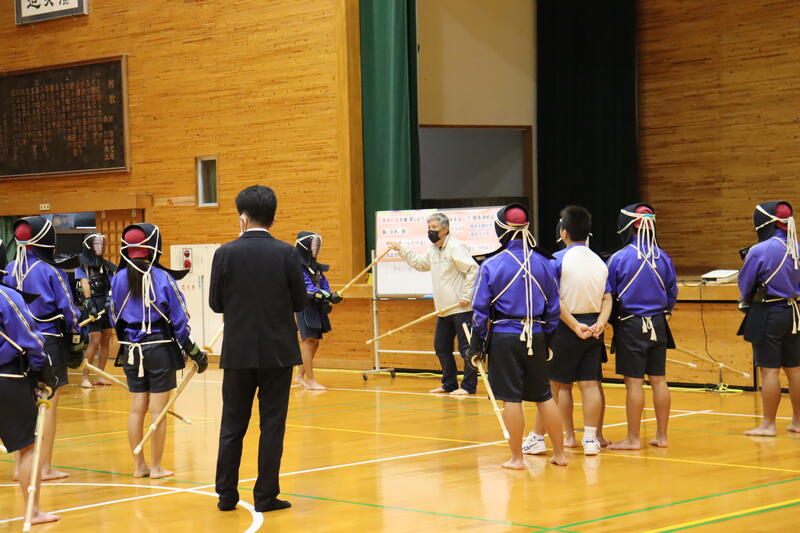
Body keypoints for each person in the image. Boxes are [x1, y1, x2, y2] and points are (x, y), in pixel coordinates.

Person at [210, 185, 307, 513]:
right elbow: (300, 302)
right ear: (273, 217)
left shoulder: (224, 253)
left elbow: (215, 303)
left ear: (242, 216)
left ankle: (226, 495)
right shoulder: (288, 253)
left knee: (232, 424)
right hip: (279, 351)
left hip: (238, 351)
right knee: (272, 425)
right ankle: (265, 496)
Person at [469, 203, 566, 469]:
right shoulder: (546, 263)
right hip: (537, 334)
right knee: (544, 396)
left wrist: (477, 342)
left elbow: (479, 310)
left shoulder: (491, 264)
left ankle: (517, 459)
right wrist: (546, 338)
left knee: (511, 398)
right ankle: (560, 454)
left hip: (504, 337)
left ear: (500, 229)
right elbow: (554, 308)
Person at [110, 223, 208, 478]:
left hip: (131, 350)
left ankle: (139, 466)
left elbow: (113, 316)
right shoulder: (162, 278)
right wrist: (195, 352)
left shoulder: (117, 278)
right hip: (160, 349)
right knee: (158, 411)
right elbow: (180, 319)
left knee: (136, 408)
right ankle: (155, 467)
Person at [525, 206, 611, 456]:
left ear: (563, 232)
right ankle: (591, 440)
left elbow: (554, 300)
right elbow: (607, 298)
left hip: (566, 327)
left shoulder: (556, 259)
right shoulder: (599, 261)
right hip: (593, 327)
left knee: (552, 386)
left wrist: (574, 325)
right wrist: (601, 322)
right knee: (590, 384)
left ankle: (537, 438)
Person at [4, 216, 82, 481]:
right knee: (48, 406)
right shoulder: (51, 271)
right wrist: (76, 337)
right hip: (48, 342)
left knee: (26, 406)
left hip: (17, 345)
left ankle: (21, 467)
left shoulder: (9, 268)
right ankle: (44, 468)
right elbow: (69, 311)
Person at [606, 204, 677, 450]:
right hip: (658, 322)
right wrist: (665, 311)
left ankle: (633, 438)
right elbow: (672, 292)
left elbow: (609, 294)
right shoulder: (663, 257)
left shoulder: (618, 258)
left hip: (631, 324)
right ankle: (662, 436)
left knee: (634, 382)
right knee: (659, 379)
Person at [387, 213, 479, 395]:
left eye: (435, 228)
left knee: (466, 349)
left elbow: (473, 270)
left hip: (461, 308)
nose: (431, 231)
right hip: (443, 310)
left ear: (445, 229)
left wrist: (467, 295)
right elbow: (420, 264)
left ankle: (468, 387)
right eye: (429, 228)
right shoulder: (433, 250)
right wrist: (401, 249)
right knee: (441, 348)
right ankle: (449, 384)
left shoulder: (455, 247)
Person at [0, 276, 61, 526]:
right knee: (28, 447)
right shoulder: (6, 296)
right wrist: (44, 371)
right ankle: (32, 511)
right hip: (8, 378)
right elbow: (31, 338)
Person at [738, 201, 800, 436]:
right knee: (795, 369)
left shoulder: (759, 250)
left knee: (770, 371)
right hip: (794, 312)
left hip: (768, 312)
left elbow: (745, 284)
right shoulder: (797, 247)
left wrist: (745, 299)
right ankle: (798, 422)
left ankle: (768, 425)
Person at [293, 231, 342, 390]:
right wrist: (323, 295)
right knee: (308, 341)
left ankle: (299, 376)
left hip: (317, 306)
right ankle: (311, 380)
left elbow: (323, 283)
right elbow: (306, 287)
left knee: (315, 342)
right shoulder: (297, 265)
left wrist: (330, 295)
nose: (316, 248)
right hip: (304, 306)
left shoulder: (315, 266)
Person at [75, 233, 116, 389]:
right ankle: (85, 377)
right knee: (95, 340)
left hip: (106, 306)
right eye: (96, 244)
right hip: (92, 306)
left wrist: (109, 300)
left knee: (106, 338)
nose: (99, 247)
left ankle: (100, 375)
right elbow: (84, 284)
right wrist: (89, 304)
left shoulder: (106, 266)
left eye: (101, 244)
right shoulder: (82, 266)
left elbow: (111, 284)